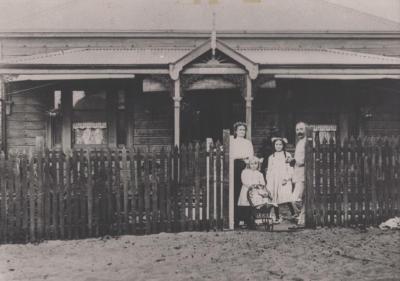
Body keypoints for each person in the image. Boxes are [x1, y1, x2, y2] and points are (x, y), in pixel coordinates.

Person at [265, 137, 296, 224]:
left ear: (283, 145)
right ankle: (277, 217)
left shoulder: (287, 155)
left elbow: (290, 168)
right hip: (274, 179)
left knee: (286, 196)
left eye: (280, 144)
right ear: (274, 145)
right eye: (276, 144)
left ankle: (294, 214)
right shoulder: (271, 157)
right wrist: (269, 180)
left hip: (283, 178)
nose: (278, 146)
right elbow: (269, 169)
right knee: (275, 197)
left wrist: (286, 178)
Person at [230, 121, 254, 228]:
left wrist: (248, 165)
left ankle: (247, 219)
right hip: (235, 166)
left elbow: (250, 155)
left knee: (245, 191)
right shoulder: (232, 142)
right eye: (240, 129)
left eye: (244, 130)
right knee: (235, 191)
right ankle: (235, 219)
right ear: (235, 131)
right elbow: (231, 155)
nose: (242, 132)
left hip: (245, 166)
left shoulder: (248, 143)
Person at [237, 156, 265, 229]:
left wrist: (258, 186)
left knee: (254, 205)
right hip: (246, 190)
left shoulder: (259, 173)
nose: (253, 165)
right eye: (252, 164)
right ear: (249, 164)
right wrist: (250, 186)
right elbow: (244, 181)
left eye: (255, 164)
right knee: (245, 205)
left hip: (255, 191)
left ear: (258, 164)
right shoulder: (245, 172)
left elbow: (262, 183)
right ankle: (243, 221)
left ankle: (253, 220)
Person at [292, 122, 307, 227]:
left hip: (304, 172)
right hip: (298, 172)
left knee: (295, 198)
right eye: (297, 130)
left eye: (301, 129)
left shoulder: (308, 142)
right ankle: (302, 218)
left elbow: (308, 158)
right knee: (300, 198)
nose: (299, 132)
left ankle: (302, 217)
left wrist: (297, 161)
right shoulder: (299, 142)